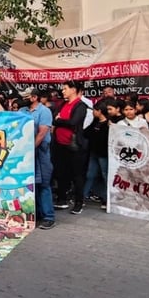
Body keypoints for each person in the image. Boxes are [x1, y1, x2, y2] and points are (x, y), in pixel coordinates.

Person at [19, 87, 56, 229]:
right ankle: (35, 214)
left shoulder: (44, 111)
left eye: (26, 96)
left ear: (34, 98)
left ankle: (49, 217)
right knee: (30, 183)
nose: (23, 99)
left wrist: (30, 149)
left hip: (40, 151)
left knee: (44, 183)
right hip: (26, 152)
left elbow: (42, 133)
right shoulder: (22, 111)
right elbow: (9, 119)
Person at [51, 80, 90, 215]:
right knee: (61, 173)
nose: (63, 91)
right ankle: (62, 199)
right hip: (59, 144)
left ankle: (79, 202)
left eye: (65, 88)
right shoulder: (62, 104)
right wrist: (60, 120)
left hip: (74, 146)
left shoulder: (81, 105)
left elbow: (73, 122)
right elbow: (53, 119)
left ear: (73, 90)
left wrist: (60, 120)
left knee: (77, 175)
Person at [83, 100, 110, 210]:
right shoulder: (95, 121)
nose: (93, 112)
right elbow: (86, 133)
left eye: (94, 110)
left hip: (103, 154)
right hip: (94, 153)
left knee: (105, 176)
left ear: (99, 111)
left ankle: (107, 198)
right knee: (90, 174)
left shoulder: (109, 124)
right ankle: (83, 195)